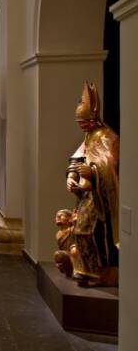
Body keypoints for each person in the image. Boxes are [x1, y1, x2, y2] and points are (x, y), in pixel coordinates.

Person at [54, 82, 119, 286]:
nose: (82, 127)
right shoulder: (89, 136)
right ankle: (83, 269)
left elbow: (110, 165)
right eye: (80, 123)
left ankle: (98, 271)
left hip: (100, 198)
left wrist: (93, 172)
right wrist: (72, 176)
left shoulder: (107, 137)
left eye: (84, 123)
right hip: (87, 197)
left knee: (89, 232)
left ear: (93, 119)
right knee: (79, 230)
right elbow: (76, 159)